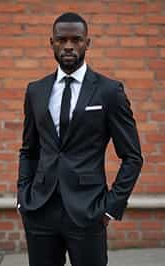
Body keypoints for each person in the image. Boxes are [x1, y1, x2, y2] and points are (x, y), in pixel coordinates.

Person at [17, 12, 143, 266]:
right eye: (62, 40)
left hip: (88, 210)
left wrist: (110, 207)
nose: (69, 46)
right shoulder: (36, 90)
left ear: (88, 43)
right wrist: (23, 196)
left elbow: (132, 157)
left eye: (76, 39)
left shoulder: (109, 92)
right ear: (51, 42)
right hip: (40, 209)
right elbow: (29, 150)